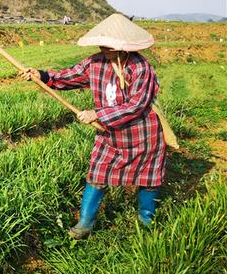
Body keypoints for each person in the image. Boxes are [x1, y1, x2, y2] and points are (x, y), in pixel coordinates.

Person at [21, 13, 166, 239]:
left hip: (142, 135)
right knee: (96, 174)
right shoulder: (94, 63)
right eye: (102, 43)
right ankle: (84, 224)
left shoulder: (140, 67)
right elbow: (66, 77)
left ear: (123, 46)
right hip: (109, 134)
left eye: (108, 45)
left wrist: (97, 113)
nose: (103, 48)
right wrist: (41, 75)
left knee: (148, 180)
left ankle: (147, 222)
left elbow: (136, 105)